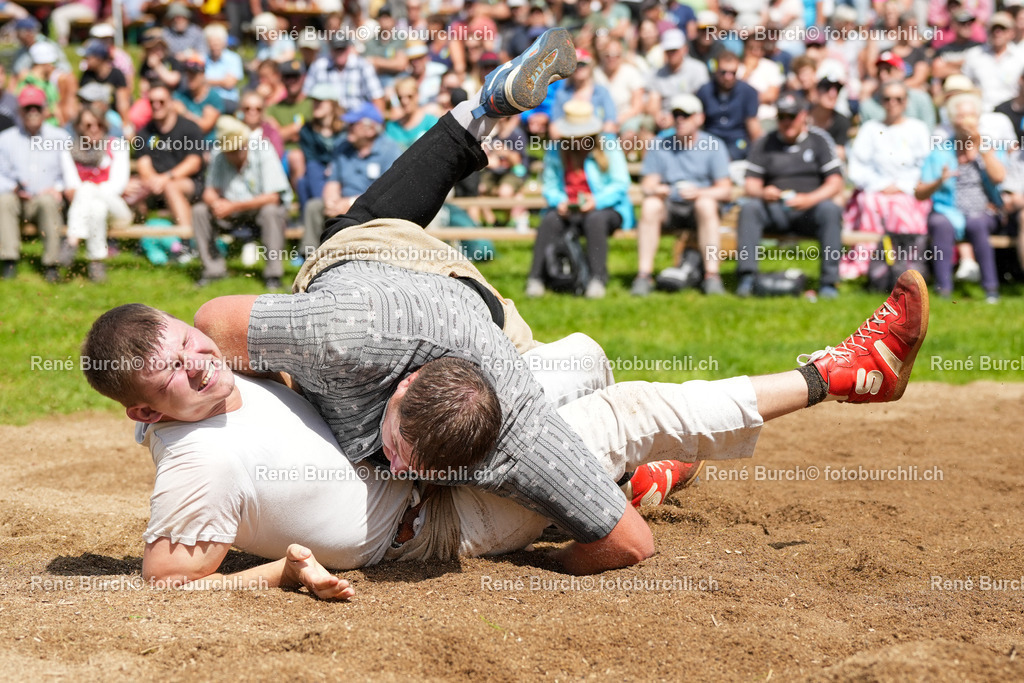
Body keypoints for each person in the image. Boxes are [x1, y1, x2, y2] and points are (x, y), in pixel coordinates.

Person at [84, 29, 931, 581]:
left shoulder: (512, 424)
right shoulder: (312, 340)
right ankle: (481, 108)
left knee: (624, 407)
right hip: (373, 277)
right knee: (579, 351)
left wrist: (548, 556)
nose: (396, 470)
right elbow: (217, 324)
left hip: (462, 316)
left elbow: (625, 546)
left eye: (405, 462)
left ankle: (834, 375)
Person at [736, 90, 844, 298]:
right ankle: (747, 278)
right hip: (775, 208)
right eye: (782, 116)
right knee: (749, 208)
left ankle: (829, 283)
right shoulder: (764, 142)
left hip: (810, 210)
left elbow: (835, 182)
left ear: (803, 115)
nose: (787, 122)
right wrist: (763, 192)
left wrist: (810, 199)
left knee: (830, 210)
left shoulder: (819, 140)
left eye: (791, 116)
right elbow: (750, 185)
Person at [525, 101, 633, 299]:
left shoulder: (608, 145)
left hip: (607, 209)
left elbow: (620, 184)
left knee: (595, 219)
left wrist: (596, 201)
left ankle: (597, 279)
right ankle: (536, 278)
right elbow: (550, 187)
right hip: (570, 208)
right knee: (550, 220)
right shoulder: (556, 150)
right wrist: (560, 201)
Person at [630, 94, 732, 297]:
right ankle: (644, 275)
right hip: (670, 204)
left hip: (700, 208)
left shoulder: (714, 145)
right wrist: (656, 189)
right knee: (650, 205)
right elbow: (647, 184)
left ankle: (712, 276)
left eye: (686, 115)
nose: (680, 120)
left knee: (706, 204)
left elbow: (725, 190)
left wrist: (699, 193)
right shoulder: (660, 144)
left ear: (699, 118)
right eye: (676, 114)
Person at [917, 93, 1005, 302]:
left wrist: (982, 150)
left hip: (984, 210)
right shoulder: (941, 151)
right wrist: (939, 181)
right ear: (952, 120)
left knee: (976, 223)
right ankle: (943, 290)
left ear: (978, 118)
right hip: (947, 209)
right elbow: (919, 192)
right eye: (961, 116)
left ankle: (991, 289)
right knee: (940, 223)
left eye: (971, 115)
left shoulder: (989, 146)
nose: (966, 121)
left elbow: (999, 177)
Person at [841, 81, 931, 280]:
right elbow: (858, 166)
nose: (892, 103)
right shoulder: (870, 128)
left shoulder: (918, 128)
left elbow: (925, 165)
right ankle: (870, 263)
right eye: (887, 98)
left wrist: (902, 186)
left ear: (906, 102)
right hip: (876, 190)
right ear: (881, 101)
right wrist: (881, 185)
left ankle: (906, 263)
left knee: (906, 209)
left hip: (909, 190)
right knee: (869, 202)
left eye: (898, 99)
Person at [192, 118, 293, 289]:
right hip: (230, 212)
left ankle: (273, 276)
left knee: (271, 211)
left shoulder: (264, 149)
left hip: (259, 211)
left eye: (237, 149)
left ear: (245, 144)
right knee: (199, 210)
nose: (234, 154)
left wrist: (233, 206)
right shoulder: (218, 153)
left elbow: (273, 197)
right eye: (229, 151)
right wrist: (216, 203)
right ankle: (213, 270)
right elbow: (209, 192)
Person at [301, 102, 401, 253]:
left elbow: (387, 194)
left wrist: (350, 203)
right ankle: (310, 256)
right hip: (341, 204)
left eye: (353, 124)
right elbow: (333, 181)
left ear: (370, 130)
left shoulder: (390, 151)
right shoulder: (342, 147)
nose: (347, 127)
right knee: (314, 206)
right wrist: (331, 201)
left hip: (373, 209)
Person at [0, 87, 70, 282]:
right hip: (16, 200)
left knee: (48, 202)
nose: (33, 112)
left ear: (45, 110)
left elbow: (69, 173)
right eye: (28, 108)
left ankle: (51, 264)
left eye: (37, 108)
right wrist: (13, 187)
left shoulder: (60, 137)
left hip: (46, 199)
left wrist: (57, 188)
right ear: (20, 111)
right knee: (4, 201)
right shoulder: (5, 139)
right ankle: (9, 260)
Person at [57, 108, 131, 283]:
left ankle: (72, 240)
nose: (94, 129)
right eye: (88, 125)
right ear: (79, 127)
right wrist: (86, 190)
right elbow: (71, 185)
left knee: (87, 188)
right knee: (97, 209)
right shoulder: (69, 150)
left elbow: (117, 186)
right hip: (92, 209)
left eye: (99, 124)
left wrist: (88, 188)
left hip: (118, 211)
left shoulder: (117, 146)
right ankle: (96, 262)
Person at [123, 84, 204, 233]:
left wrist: (166, 178)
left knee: (171, 187)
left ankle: (186, 239)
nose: (156, 106)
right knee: (130, 187)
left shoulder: (190, 128)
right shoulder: (144, 133)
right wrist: (153, 180)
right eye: (152, 102)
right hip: (155, 184)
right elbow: (143, 165)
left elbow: (194, 162)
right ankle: (132, 237)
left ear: (172, 102)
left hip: (188, 182)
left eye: (161, 101)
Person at [695, 50, 762, 162]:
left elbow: (752, 125)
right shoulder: (705, 91)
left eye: (733, 73)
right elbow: (697, 122)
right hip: (710, 140)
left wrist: (759, 152)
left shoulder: (748, 92)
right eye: (723, 72)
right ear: (716, 70)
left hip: (738, 141)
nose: (728, 77)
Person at [646, 28, 710, 132]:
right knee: (645, 126)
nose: (671, 54)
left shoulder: (698, 69)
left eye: (674, 50)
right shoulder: (656, 74)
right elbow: (653, 103)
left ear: (684, 49)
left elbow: (701, 102)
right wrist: (658, 116)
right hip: (665, 121)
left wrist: (676, 118)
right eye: (668, 51)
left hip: (689, 119)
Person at [303, 37, 386, 112]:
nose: (340, 53)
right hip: (330, 117)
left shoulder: (363, 66)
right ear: (330, 50)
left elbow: (376, 96)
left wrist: (377, 121)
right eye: (336, 49)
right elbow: (306, 94)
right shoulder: (319, 66)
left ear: (349, 49)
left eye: (342, 49)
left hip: (357, 117)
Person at [294, 84, 345, 209]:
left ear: (332, 104)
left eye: (320, 101)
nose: (315, 105)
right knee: (305, 179)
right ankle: (321, 207)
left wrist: (333, 166)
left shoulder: (345, 128)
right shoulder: (307, 130)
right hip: (318, 170)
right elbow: (311, 158)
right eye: (314, 101)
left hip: (341, 168)